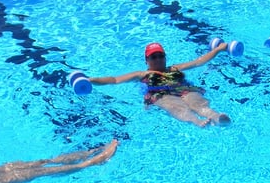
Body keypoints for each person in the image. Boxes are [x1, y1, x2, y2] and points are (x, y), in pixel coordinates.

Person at [89, 42, 232, 127]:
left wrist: (217, 49)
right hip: (160, 94)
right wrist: (90, 81)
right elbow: (114, 80)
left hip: (183, 89)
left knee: (197, 102)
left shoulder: (174, 68)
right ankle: (197, 122)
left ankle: (217, 117)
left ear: (165, 57)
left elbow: (198, 62)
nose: (158, 59)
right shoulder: (141, 74)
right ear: (147, 60)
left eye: (160, 56)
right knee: (175, 106)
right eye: (153, 57)